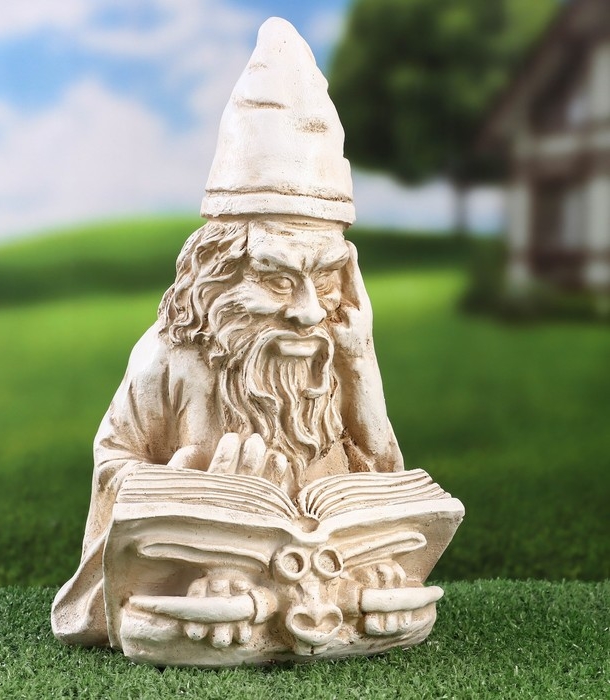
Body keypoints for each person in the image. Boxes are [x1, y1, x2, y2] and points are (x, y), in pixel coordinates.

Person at [52, 18, 402, 647]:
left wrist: (360, 362)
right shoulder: (167, 358)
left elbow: (379, 475)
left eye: (325, 278)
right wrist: (196, 484)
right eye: (276, 279)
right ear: (219, 273)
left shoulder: (334, 349)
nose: (307, 312)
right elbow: (113, 465)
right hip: (201, 569)